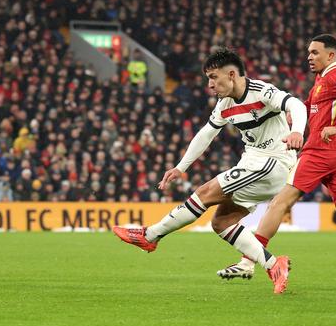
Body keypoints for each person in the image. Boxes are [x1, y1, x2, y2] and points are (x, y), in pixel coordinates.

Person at [112, 48, 307, 294]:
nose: (210, 84)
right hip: (252, 163)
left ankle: (150, 235)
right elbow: (207, 133)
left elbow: (297, 105)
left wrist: (297, 130)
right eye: (208, 78)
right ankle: (273, 265)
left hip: (273, 162)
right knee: (221, 222)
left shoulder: (261, 91)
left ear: (232, 74)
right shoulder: (225, 104)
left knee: (204, 192)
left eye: (214, 77)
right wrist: (181, 167)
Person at [221, 34, 336, 285]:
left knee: (279, 204)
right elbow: (309, 107)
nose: (309, 56)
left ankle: (247, 261)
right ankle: (249, 261)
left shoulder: (335, 76)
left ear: (331, 55)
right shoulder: (321, 81)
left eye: (315, 52)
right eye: (309, 52)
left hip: (320, 151)